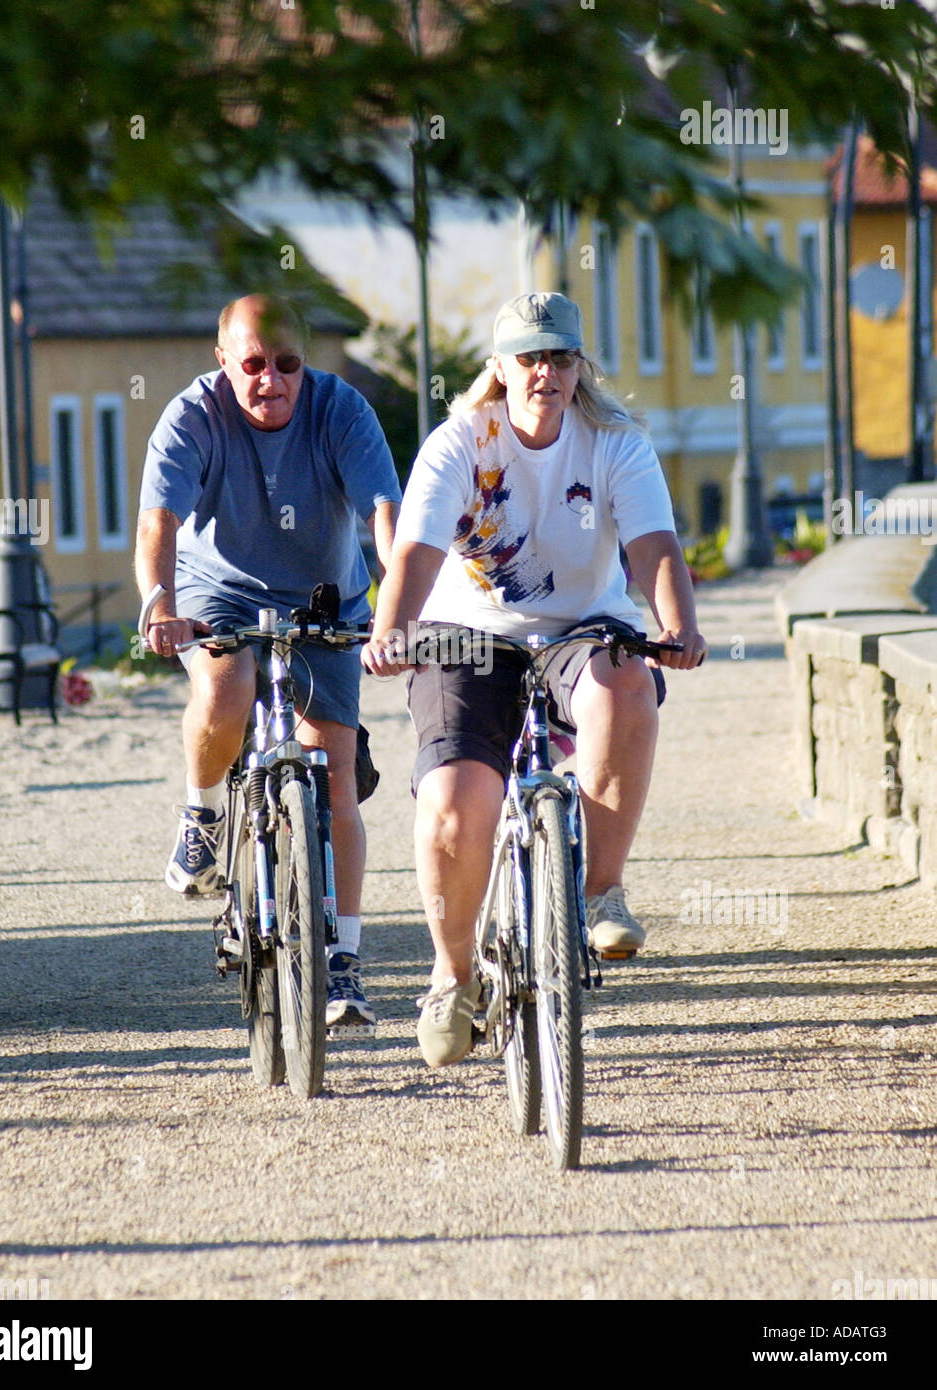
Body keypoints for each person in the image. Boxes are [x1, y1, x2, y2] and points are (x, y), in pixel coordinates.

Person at [362, 291, 706, 1067]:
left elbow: (653, 546)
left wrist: (677, 626)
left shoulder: (616, 442)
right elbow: (415, 554)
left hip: (582, 628)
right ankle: (452, 977)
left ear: (579, 366)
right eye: (529, 356)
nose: (545, 370)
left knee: (624, 686)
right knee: (455, 800)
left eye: (559, 355)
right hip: (467, 633)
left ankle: (599, 893)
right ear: (501, 368)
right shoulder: (461, 444)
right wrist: (392, 632)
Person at [136, 293, 402, 1032]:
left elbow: (386, 510)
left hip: (327, 599)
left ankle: (342, 955)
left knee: (334, 770)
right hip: (217, 595)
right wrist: (159, 602)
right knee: (228, 689)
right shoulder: (192, 418)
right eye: (253, 364)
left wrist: (399, 607)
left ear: (305, 362)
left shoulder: (343, 409)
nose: (270, 381)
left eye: (287, 364)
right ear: (225, 362)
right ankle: (203, 815)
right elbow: (159, 519)